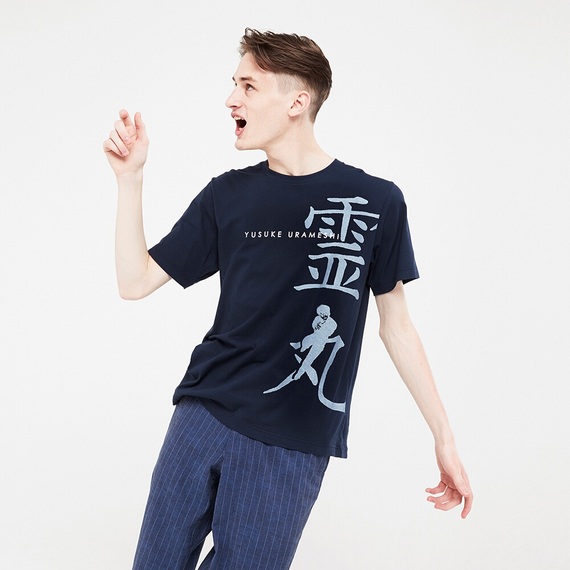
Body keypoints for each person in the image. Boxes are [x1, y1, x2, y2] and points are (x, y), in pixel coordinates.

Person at [103, 28, 472, 570]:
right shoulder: (227, 195)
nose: (231, 99)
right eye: (234, 84)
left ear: (297, 102)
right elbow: (134, 281)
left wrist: (444, 436)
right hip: (202, 415)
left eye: (248, 86)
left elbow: (396, 326)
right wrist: (130, 179)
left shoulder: (376, 201)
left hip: (293, 439)